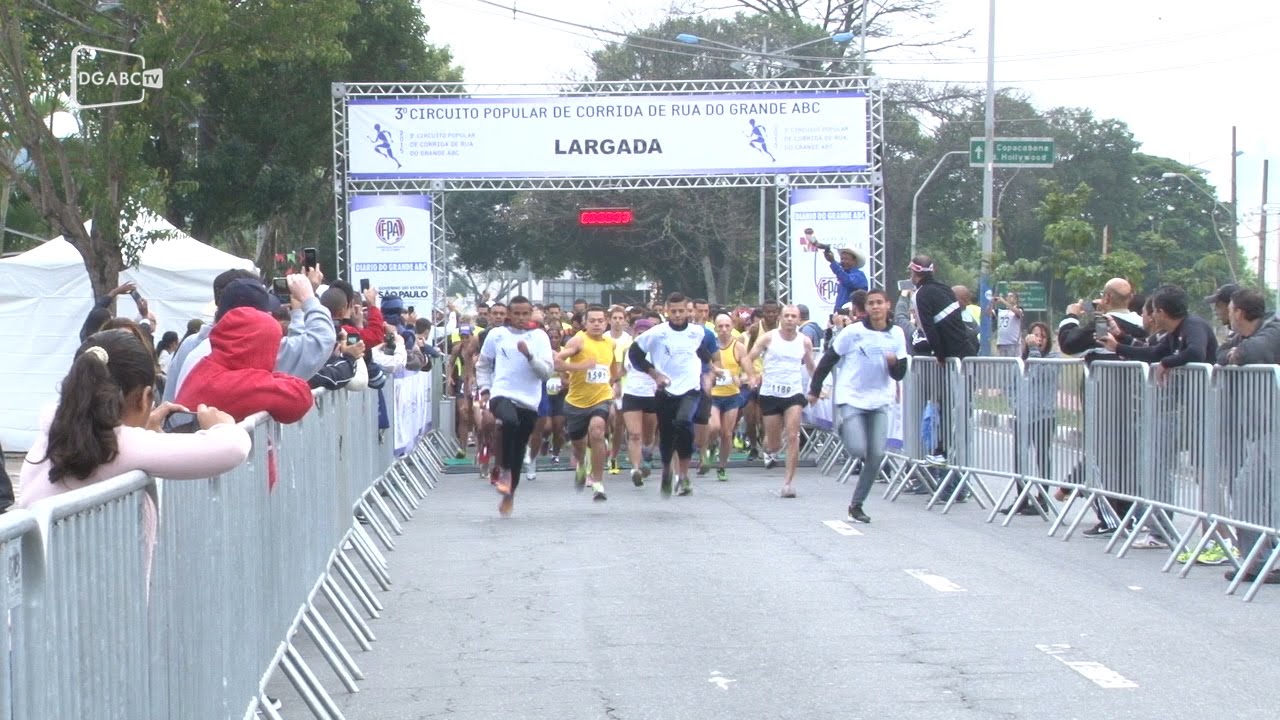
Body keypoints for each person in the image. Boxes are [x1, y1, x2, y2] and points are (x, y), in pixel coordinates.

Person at [17, 329, 250, 509]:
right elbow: (232, 449)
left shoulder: (51, 437)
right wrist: (222, 424)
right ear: (145, 397)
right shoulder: (119, 444)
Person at [808, 290, 907, 522]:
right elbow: (829, 359)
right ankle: (843, 428)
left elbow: (900, 373)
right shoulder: (854, 332)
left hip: (880, 399)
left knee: (876, 455)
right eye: (871, 303)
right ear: (866, 307)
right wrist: (814, 389)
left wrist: (893, 364)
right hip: (852, 396)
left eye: (879, 303)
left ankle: (857, 504)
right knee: (857, 449)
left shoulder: (896, 334)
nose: (875, 307)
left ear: (887, 305)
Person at [1217, 288, 1280, 585]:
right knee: (1246, 492)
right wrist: (1232, 353)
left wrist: (1236, 354)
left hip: (1274, 427)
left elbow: (1252, 353)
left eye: (1229, 309)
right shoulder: (1243, 335)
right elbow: (1220, 353)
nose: (1227, 314)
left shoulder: (1273, 329)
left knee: (1270, 497)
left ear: (1239, 312)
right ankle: (1259, 561)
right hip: (1265, 429)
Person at [628, 293, 720, 497]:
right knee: (668, 434)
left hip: (690, 389)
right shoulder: (657, 333)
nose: (678, 315)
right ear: (666, 311)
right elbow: (634, 354)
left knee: (684, 424)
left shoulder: (697, 332)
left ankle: (684, 475)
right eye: (673, 311)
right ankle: (669, 471)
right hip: (665, 390)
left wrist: (711, 371)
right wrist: (654, 374)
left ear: (688, 311)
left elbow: (702, 352)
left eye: (681, 311)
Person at [476, 296, 556, 516]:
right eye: (517, 314)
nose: (521, 318)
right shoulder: (497, 335)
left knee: (520, 446)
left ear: (531, 314)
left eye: (525, 314)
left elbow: (546, 373)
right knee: (508, 422)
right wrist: (485, 389)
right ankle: (501, 466)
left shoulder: (539, 337)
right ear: (509, 314)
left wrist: (529, 356)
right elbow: (483, 365)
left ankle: (509, 493)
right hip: (502, 393)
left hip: (529, 400)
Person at [176, 307, 315, 424]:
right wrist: (272, 377)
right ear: (259, 347)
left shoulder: (210, 367)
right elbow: (300, 398)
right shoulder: (235, 384)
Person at [909, 255, 977, 464]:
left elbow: (929, 328)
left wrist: (939, 354)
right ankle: (952, 452)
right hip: (964, 351)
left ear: (914, 272)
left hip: (951, 356)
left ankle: (944, 451)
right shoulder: (946, 289)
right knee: (959, 406)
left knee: (948, 405)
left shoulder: (920, 295)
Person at [745, 304, 817, 498]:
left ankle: (788, 483)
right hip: (770, 393)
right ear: (780, 318)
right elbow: (747, 358)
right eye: (787, 316)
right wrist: (752, 376)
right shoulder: (769, 338)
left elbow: (811, 367)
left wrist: (818, 388)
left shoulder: (805, 341)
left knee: (794, 437)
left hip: (793, 393)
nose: (790, 319)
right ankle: (770, 445)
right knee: (775, 444)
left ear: (799, 320)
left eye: (794, 316)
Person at [555, 306, 618, 501]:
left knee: (598, 431)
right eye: (592, 321)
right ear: (585, 323)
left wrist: (612, 384)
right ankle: (581, 465)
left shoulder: (610, 343)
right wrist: (578, 367)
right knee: (578, 445)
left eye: (600, 320)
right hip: (576, 402)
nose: (597, 324)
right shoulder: (578, 340)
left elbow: (613, 367)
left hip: (601, 397)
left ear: (606, 322)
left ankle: (598, 482)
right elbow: (558, 362)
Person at [705, 313, 746, 482]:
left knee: (727, 433)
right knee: (714, 427)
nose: (724, 330)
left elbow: (748, 371)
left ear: (732, 327)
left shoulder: (738, 347)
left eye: (727, 326)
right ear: (715, 328)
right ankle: (712, 445)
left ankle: (722, 467)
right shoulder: (710, 346)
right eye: (720, 326)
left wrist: (739, 379)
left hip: (731, 395)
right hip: (713, 395)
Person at [619, 318, 659, 487]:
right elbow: (622, 371)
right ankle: (635, 469)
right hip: (631, 394)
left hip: (652, 395)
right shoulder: (628, 351)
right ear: (634, 334)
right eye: (639, 333)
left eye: (645, 334)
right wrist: (612, 382)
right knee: (634, 434)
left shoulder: (656, 352)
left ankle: (648, 456)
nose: (641, 336)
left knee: (649, 436)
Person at [823, 247, 869, 319]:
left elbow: (848, 281)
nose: (843, 261)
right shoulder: (845, 275)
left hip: (853, 317)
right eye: (842, 259)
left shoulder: (859, 276)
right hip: (841, 315)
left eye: (846, 259)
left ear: (855, 261)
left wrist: (833, 262)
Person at [992, 292, 1024, 357]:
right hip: (1001, 343)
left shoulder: (1019, 309)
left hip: (1013, 343)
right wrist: (990, 302)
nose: (1009, 298)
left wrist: (1003, 301)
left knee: (1013, 364)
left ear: (1016, 299)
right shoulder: (1000, 311)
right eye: (1008, 296)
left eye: (1011, 296)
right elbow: (987, 313)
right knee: (1002, 365)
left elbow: (1018, 313)